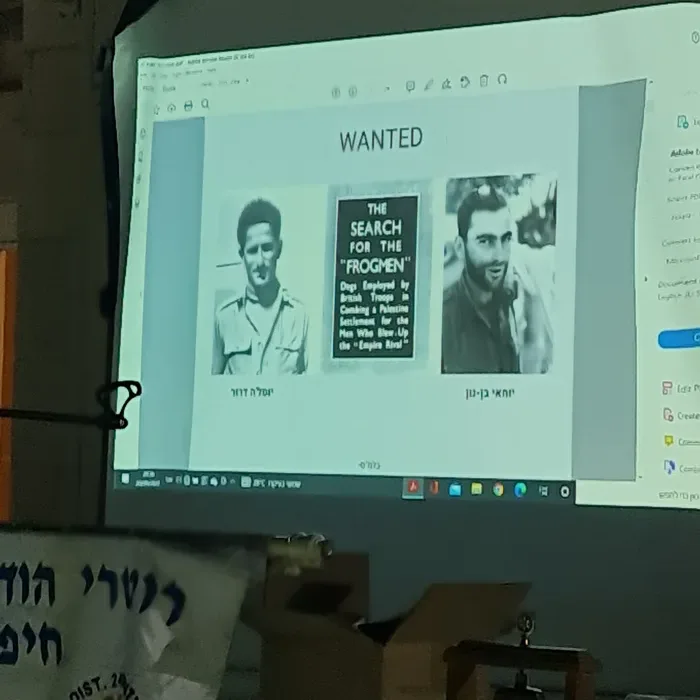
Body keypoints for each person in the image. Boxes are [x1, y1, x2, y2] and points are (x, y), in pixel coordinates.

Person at [441, 183, 552, 374]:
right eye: (486, 241)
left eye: (505, 239)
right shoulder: (444, 317)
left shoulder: (519, 297)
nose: (499, 256)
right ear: (459, 247)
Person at [212, 198, 309, 375]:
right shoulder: (224, 318)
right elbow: (210, 385)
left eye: (267, 248)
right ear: (241, 254)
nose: (260, 261)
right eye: (252, 251)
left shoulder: (300, 317)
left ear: (279, 248)